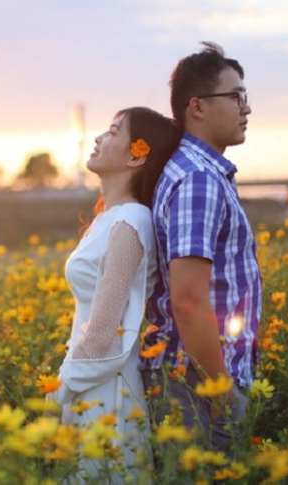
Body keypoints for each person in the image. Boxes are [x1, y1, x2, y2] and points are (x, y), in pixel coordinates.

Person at [141, 42, 262, 454]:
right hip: (199, 385)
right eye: (236, 97)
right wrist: (222, 391)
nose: (246, 108)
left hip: (193, 378)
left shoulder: (196, 171)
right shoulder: (198, 179)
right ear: (198, 107)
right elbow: (189, 301)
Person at [48, 107, 180, 482]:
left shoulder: (131, 220)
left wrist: (59, 388)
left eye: (112, 131)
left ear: (137, 154)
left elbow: (105, 328)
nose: (99, 138)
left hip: (104, 386)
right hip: (88, 378)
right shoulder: (110, 218)